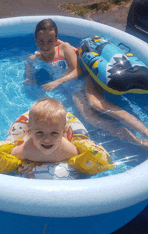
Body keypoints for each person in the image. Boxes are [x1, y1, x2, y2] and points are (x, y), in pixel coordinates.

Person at [25, 18, 148, 148]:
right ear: (35, 40)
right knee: (89, 117)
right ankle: (135, 139)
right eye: (41, 42)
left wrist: (57, 82)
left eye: (50, 41)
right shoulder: (33, 59)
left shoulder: (63, 49)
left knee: (97, 104)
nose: (45, 46)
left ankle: (145, 131)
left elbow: (77, 71)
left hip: (82, 81)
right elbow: (29, 74)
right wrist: (30, 78)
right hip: (71, 90)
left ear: (56, 40)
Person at [11, 97, 79, 162]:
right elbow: (11, 157)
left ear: (64, 130)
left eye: (54, 133)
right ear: (29, 129)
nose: (47, 140)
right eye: (40, 132)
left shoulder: (67, 150)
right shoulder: (26, 150)